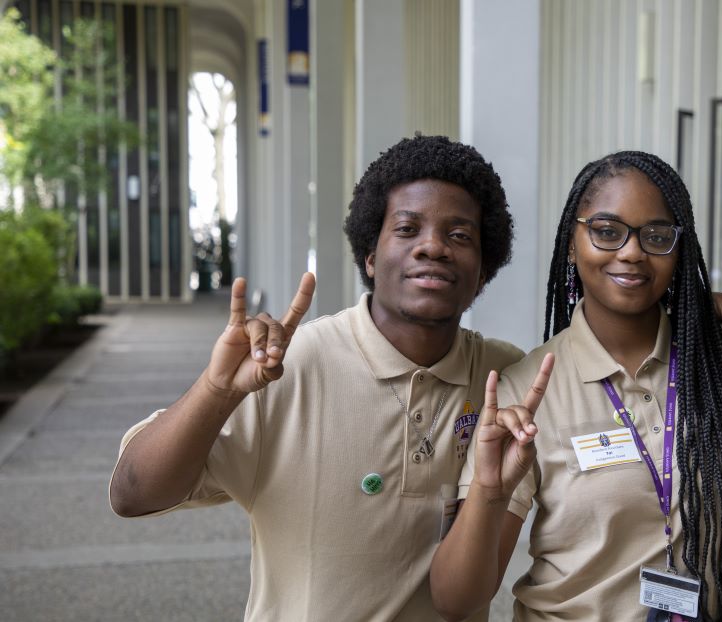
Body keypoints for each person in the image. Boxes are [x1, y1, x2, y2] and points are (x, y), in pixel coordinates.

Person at [107, 135, 525, 621]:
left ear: (483, 271)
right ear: (370, 255)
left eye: (459, 235)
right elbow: (132, 495)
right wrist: (218, 390)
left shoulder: (506, 377)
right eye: (408, 228)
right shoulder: (286, 366)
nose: (432, 246)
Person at [430, 151, 722, 621]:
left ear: (678, 248)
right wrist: (488, 489)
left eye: (657, 236)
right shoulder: (526, 391)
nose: (631, 252)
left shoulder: (721, 365)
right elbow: (456, 600)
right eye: (606, 231)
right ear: (572, 242)